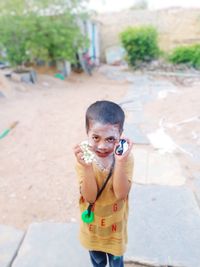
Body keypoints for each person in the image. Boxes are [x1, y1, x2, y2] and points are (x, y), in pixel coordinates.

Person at [74, 100, 134, 267]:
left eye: (111, 139)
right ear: (87, 133)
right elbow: (90, 196)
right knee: (98, 262)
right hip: (93, 229)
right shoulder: (84, 160)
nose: (102, 146)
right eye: (95, 137)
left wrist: (120, 163)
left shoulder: (125, 158)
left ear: (121, 134)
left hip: (115, 227)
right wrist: (86, 167)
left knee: (116, 263)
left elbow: (121, 194)